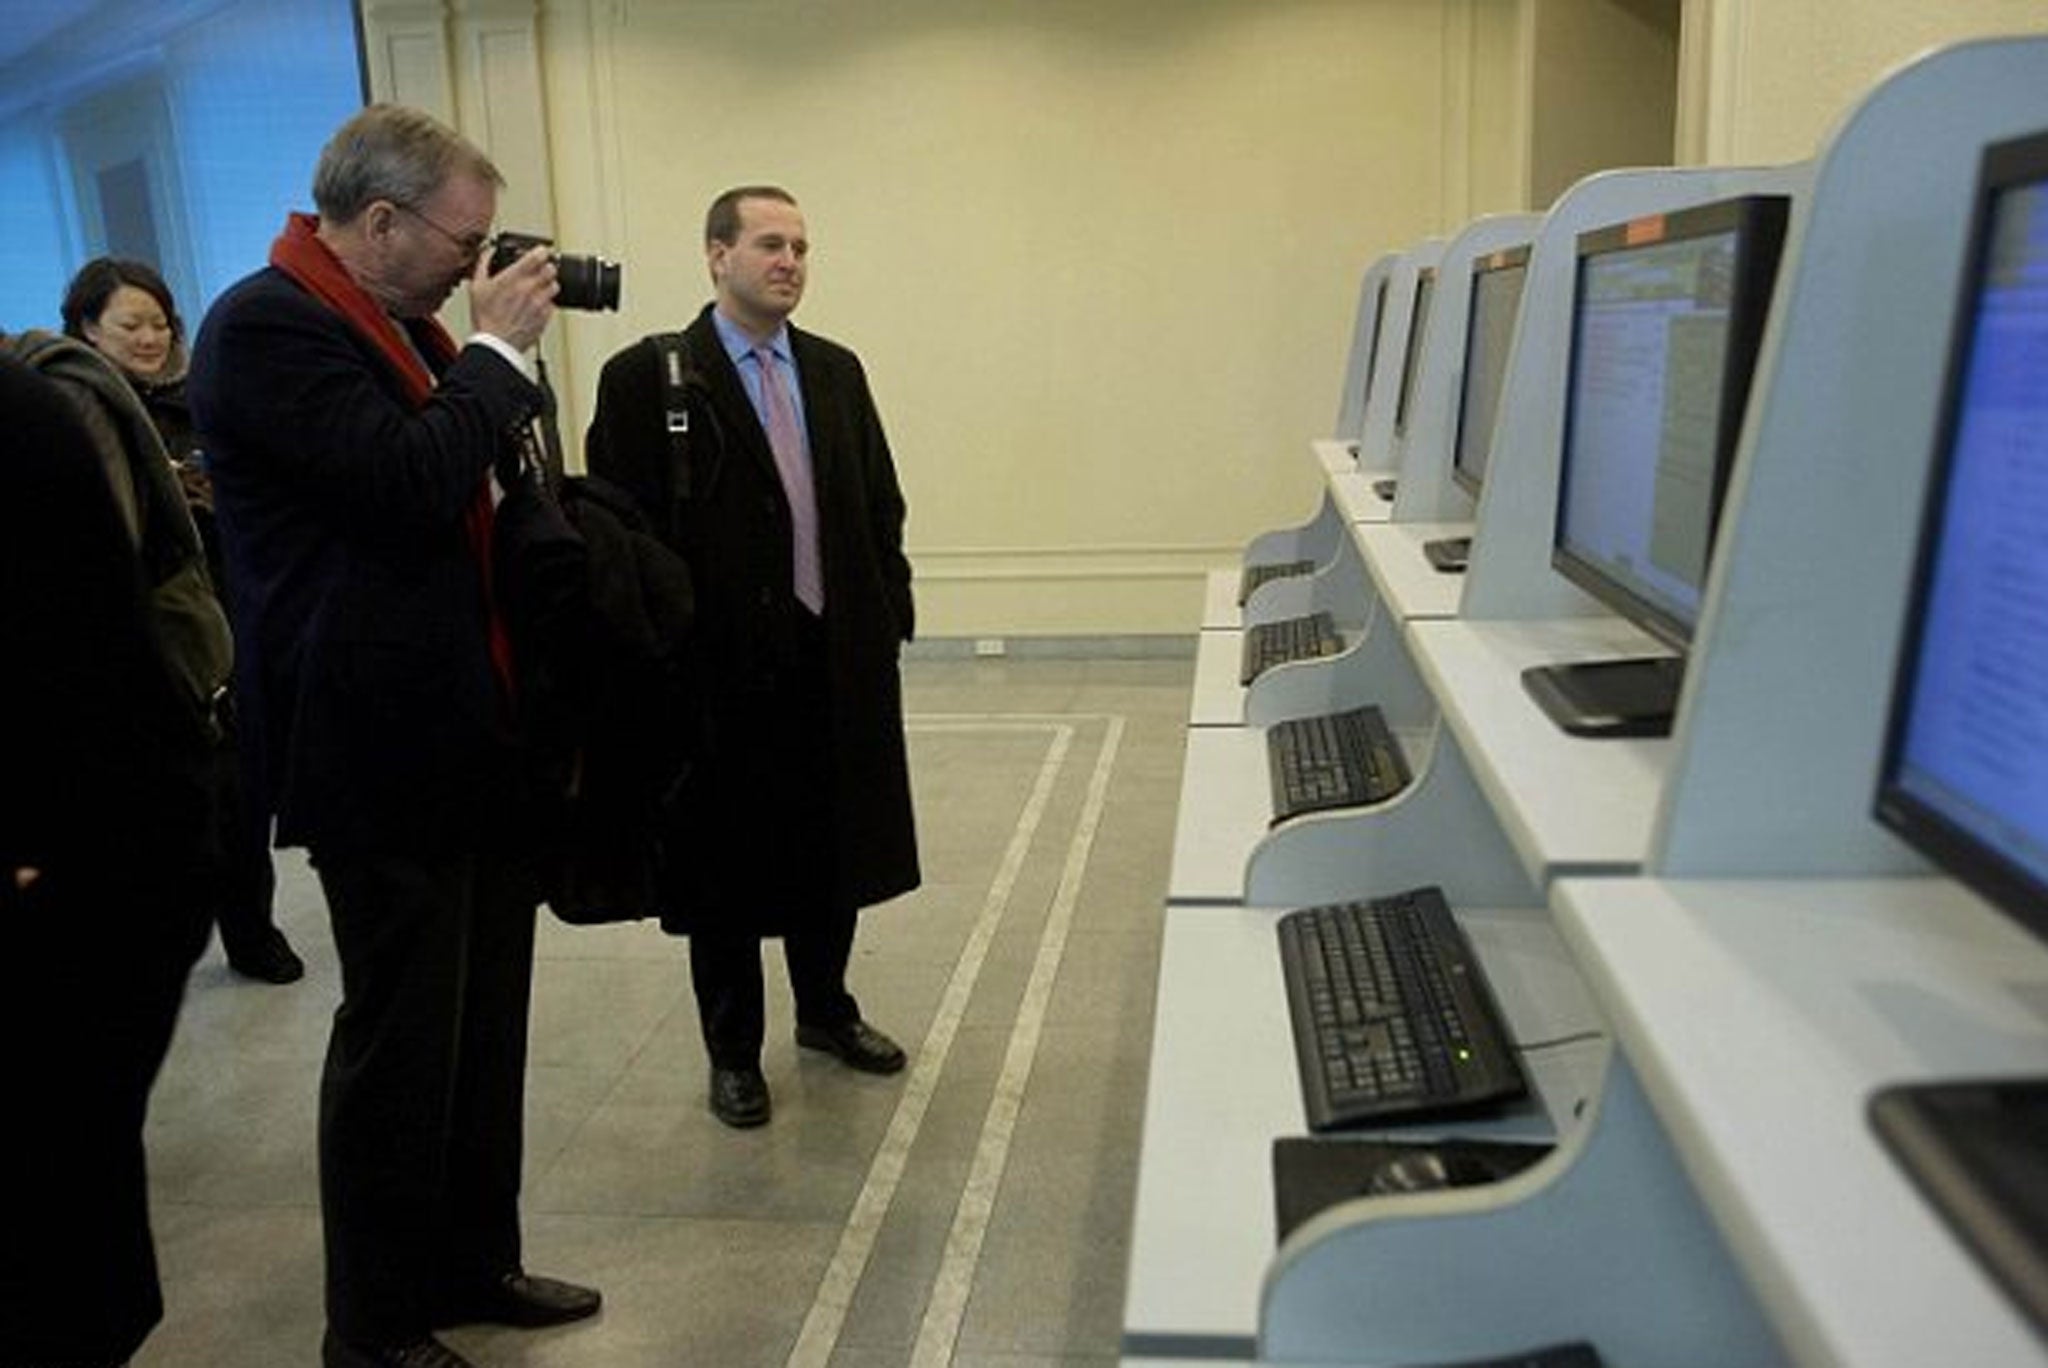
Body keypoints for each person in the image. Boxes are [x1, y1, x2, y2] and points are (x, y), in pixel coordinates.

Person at [187, 104, 599, 1368]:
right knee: (401, 1043)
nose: (475, 263)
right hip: (371, 745)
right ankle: (371, 1327)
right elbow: (407, 481)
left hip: (468, 726)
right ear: (378, 222)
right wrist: (496, 354)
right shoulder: (264, 326)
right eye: (461, 238)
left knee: (482, 1031)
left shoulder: (402, 325)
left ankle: (474, 1262)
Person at [585, 185, 920, 1129]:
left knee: (833, 848)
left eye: (803, 247)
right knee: (724, 871)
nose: (790, 262)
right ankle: (732, 1052)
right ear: (715, 255)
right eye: (770, 244)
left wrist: (887, 607)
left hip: (832, 657)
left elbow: (879, 500)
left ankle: (826, 1012)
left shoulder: (837, 372)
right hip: (718, 675)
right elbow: (621, 532)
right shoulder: (649, 378)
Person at [0, 351, 215, 1368]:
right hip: (115, 859)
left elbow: (82, 666)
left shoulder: (34, 413)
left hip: (90, 871)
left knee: (63, 1256)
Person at [62, 255, 304, 984]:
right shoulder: (75, 410)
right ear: (86, 329)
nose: (149, 337)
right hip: (137, 638)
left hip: (222, 624)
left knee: (242, 797)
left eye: (160, 322)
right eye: (129, 324)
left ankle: (250, 932)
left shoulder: (200, 400)